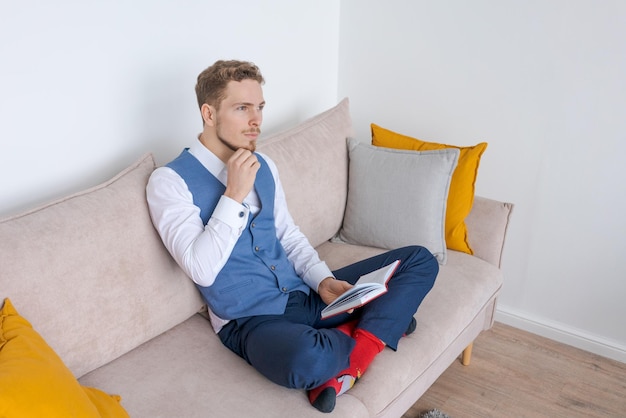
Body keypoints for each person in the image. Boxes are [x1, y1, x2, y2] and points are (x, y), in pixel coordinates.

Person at [146, 59, 439, 413]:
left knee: (419, 260)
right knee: (307, 360)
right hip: (251, 321)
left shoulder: (265, 165)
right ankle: (379, 326)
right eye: (242, 108)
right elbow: (201, 270)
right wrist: (233, 196)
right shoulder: (169, 182)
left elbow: (289, 235)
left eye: (260, 108)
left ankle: (357, 349)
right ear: (209, 114)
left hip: (306, 296)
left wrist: (323, 281)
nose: (256, 121)